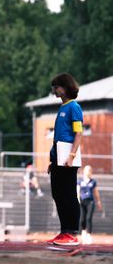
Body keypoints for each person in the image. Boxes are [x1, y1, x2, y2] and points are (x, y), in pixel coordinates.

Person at [47, 73, 83, 246]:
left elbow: (78, 133)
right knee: (57, 194)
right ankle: (63, 231)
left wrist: (72, 156)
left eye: (57, 87)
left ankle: (72, 232)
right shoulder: (62, 108)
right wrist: (52, 161)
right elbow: (58, 138)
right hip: (58, 159)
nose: (55, 90)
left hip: (68, 159)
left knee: (69, 194)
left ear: (65, 87)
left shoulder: (74, 107)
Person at [77, 165, 102, 244]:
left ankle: (89, 234)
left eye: (90, 170)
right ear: (84, 171)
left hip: (90, 202)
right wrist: (78, 199)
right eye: (87, 170)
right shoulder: (80, 181)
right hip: (82, 201)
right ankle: (83, 232)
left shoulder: (93, 181)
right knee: (82, 219)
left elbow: (96, 192)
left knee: (88, 218)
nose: (88, 172)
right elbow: (77, 191)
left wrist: (98, 202)